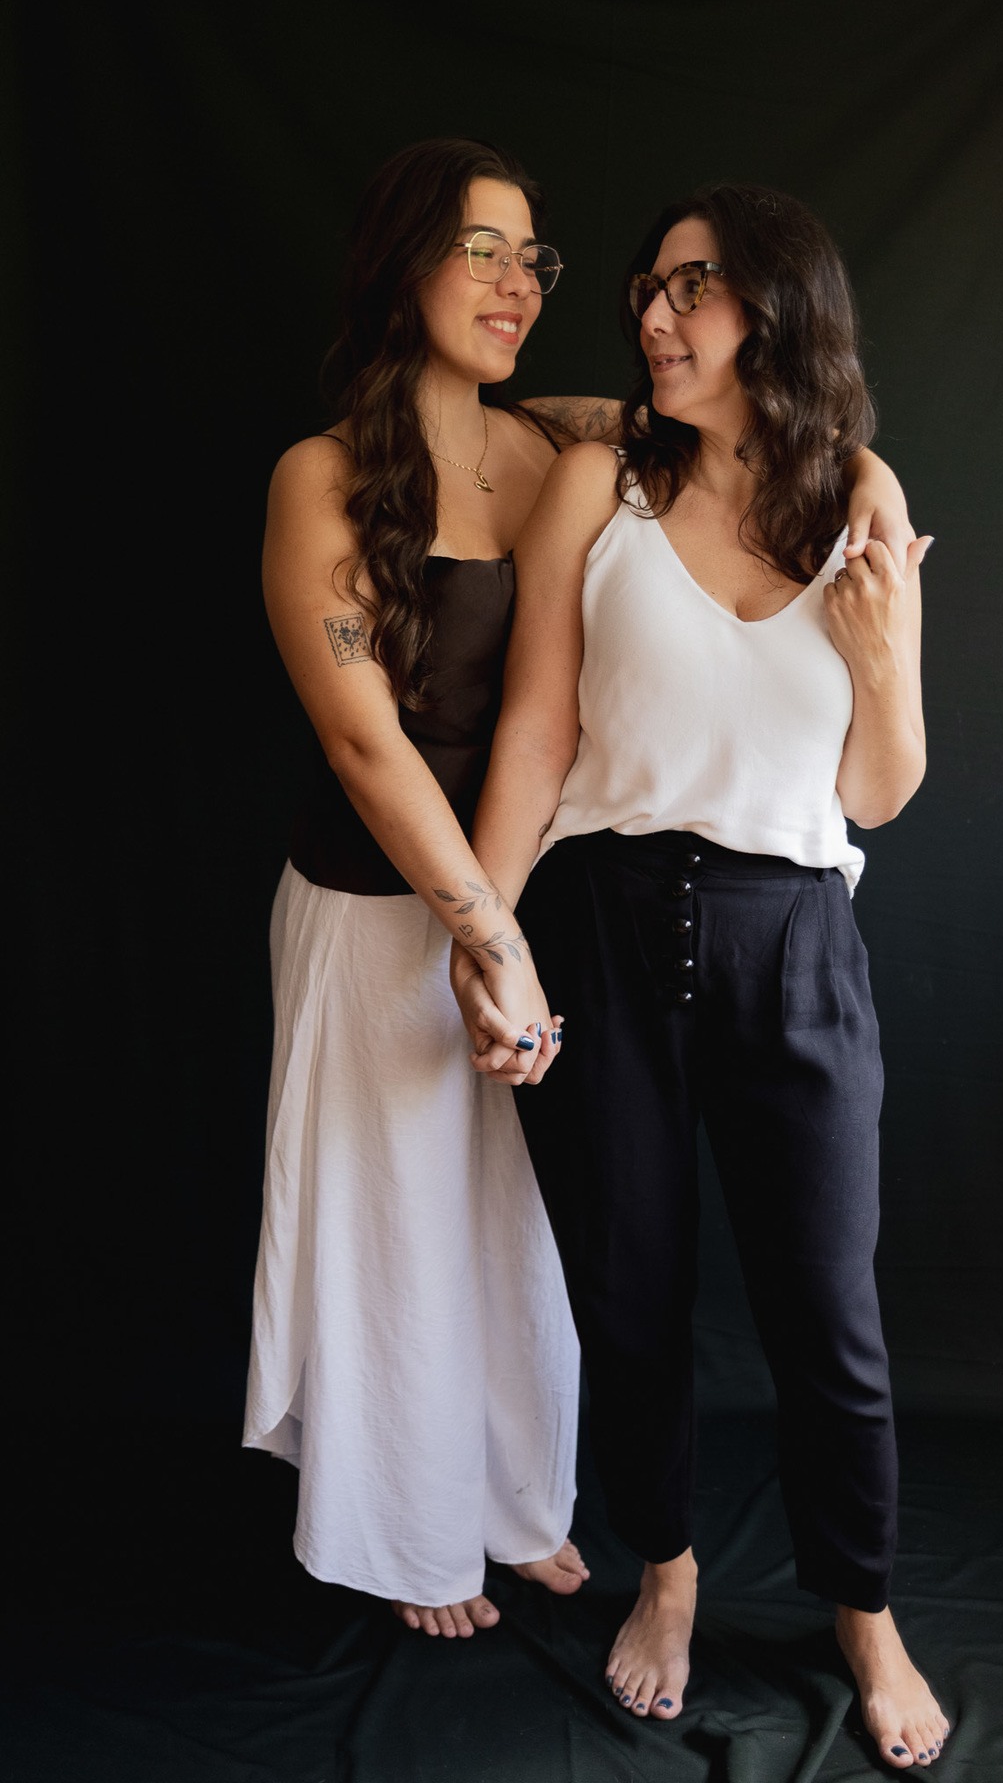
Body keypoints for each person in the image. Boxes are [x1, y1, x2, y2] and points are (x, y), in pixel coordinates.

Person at [244, 138, 917, 1642]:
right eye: (478, 249)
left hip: (556, 896)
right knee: (406, 1229)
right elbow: (377, 738)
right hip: (406, 893)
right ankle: (408, 1533)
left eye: (531, 258)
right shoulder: (332, 475)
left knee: (524, 1241)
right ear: (401, 263)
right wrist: (485, 931)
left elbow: (709, 430)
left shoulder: (554, 451)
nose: (519, 284)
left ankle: (511, 1504)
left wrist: (868, 610)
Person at [463, 183, 950, 1769]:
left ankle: (862, 1612)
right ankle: (665, 1576)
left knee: (829, 1313)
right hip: (602, 921)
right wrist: (487, 935)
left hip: (795, 937)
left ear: (776, 309)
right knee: (631, 1294)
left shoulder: (860, 489)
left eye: (692, 289)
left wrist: (879, 656)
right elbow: (537, 728)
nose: (654, 315)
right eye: (649, 291)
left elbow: (879, 790)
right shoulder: (599, 483)